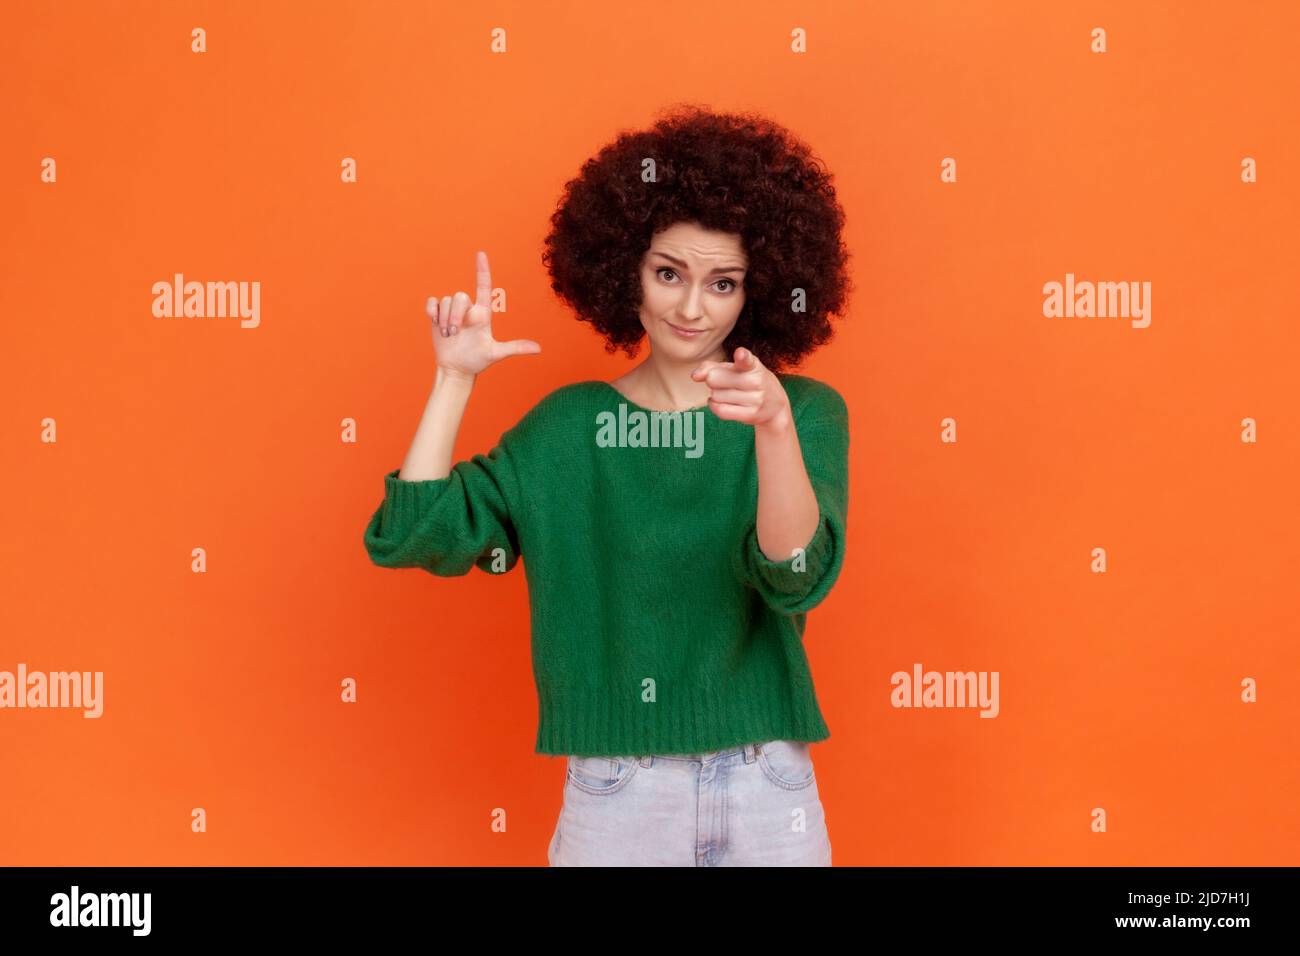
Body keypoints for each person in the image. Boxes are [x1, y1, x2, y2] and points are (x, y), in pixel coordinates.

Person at [363, 104, 852, 866]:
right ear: (624, 268)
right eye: (669, 274)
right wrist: (453, 379)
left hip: (768, 784)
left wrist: (774, 431)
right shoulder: (566, 430)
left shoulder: (802, 414)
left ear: (755, 292)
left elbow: (794, 578)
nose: (692, 308)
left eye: (722, 284)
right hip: (621, 792)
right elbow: (415, 535)